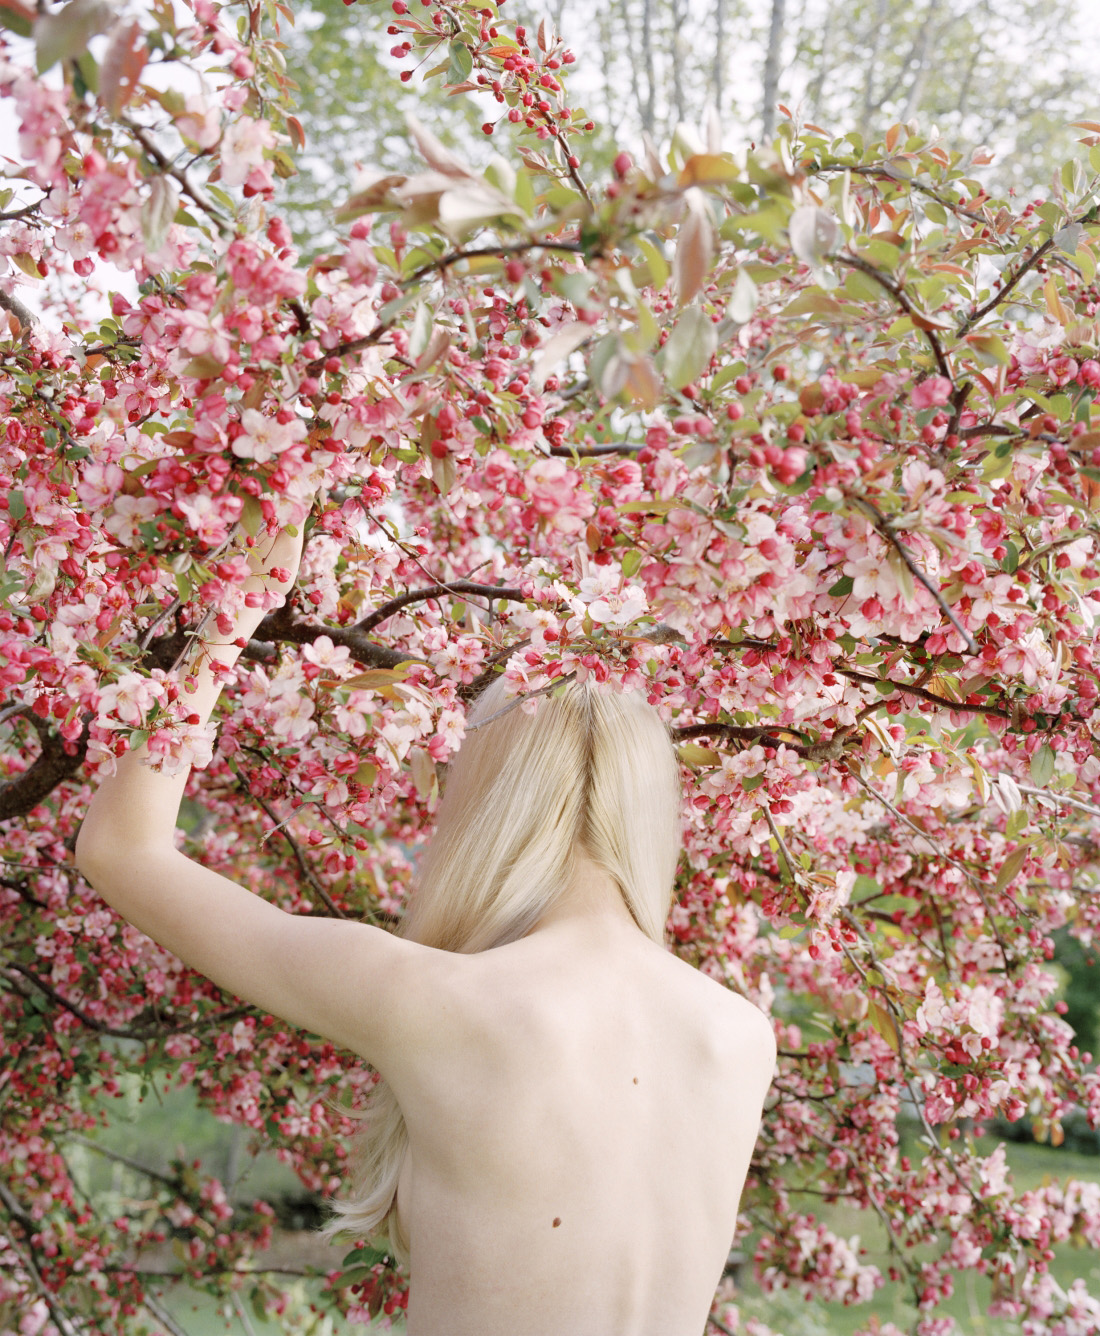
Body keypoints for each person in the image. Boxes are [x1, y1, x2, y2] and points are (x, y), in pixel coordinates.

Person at [75, 516, 777, 1336]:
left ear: (485, 800)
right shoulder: (740, 1037)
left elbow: (123, 850)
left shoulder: (443, 1001)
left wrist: (240, 603)